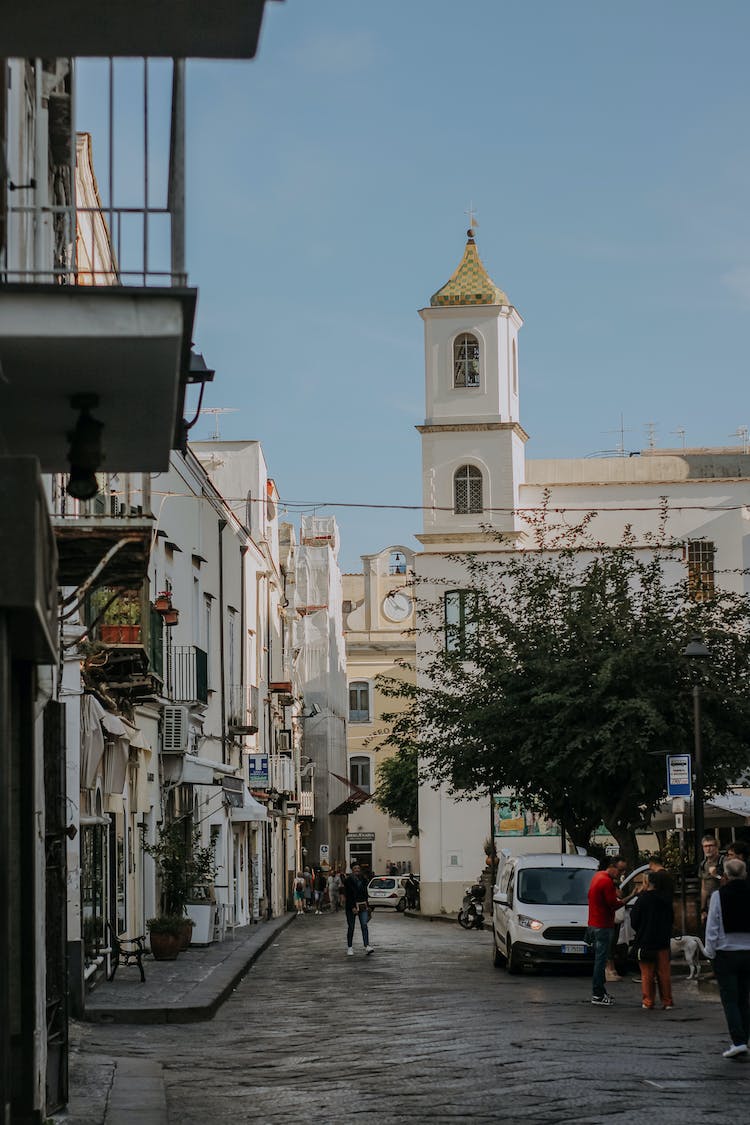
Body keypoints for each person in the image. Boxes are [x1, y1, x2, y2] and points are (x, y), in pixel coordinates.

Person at [704, 857, 750, 1059]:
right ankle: (744, 1038)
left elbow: (712, 926)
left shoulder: (718, 896)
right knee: (744, 997)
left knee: (730, 999)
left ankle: (738, 1041)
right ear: (745, 873)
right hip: (748, 951)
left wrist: (710, 951)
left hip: (726, 952)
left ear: (726, 875)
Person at [630, 871, 674, 1010]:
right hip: (662, 940)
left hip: (645, 941)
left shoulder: (642, 899)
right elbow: (671, 919)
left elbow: (634, 920)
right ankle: (667, 1001)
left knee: (647, 973)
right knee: (664, 973)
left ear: (646, 883)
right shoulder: (666, 899)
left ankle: (648, 1001)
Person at [587, 856, 627, 1005]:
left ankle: (600, 992)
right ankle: (597, 994)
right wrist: (632, 895)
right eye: (620, 870)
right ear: (612, 866)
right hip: (603, 926)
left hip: (594, 924)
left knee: (600, 961)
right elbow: (614, 905)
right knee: (600, 961)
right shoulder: (606, 881)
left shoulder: (598, 876)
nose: (621, 874)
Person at [342, 861, 374, 957]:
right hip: (351, 906)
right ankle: (350, 947)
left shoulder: (364, 879)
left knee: (364, 925)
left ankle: (367, 945)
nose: (357, 870)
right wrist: (352, 907)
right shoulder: (348, 881)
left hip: (362, 905)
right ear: (352, 870)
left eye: (358, 868)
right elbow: (348, 895)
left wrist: (368, 906)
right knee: (351, 927)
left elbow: (365, 893)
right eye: (355, 868)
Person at [699, 834, 726, 927]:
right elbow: (704, 887)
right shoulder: (703, 864)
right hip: (709, 905)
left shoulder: (723, 861)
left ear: (716, 847)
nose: (708, 849)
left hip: (722, 902)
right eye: (705, 846)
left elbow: (728, 883)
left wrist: (716, 876)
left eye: (710, 846)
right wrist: (702, 909)